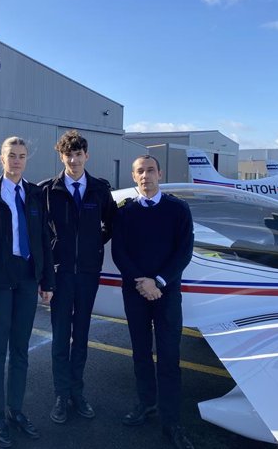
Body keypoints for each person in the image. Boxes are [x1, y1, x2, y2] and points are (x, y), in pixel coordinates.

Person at [0, 136, 56, 448]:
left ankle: (16, 409)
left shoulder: (36, 194)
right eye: (12, 155)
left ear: (27, 159)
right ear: (1, 158)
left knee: (20, 349)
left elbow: (43, 242)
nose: (17, 161)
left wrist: (47, 282)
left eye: (22, 156)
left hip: (26, 280)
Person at [111, 155, 195, 449]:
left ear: (159, 173)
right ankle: (145, 404)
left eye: (150, 170)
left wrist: (158, 281)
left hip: (167, 293)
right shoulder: (124, 213)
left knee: (170, 358)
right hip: (135, 292)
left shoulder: (178, 209)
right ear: (134, 177)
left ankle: (172, 421)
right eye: (139, 172)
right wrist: (141, 283)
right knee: (141, 353)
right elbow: (119, 252)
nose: (145, 176)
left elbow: (184, 252)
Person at [40, 130, 116, 423]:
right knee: (61, 336)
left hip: (87, 274)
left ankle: (77, 392)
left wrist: (93, 246)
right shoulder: (49, 189)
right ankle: (61, 394)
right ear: (62, 157)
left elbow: (111, 224)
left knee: (81, 335)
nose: (73, 159)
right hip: (60, 275)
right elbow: (41, 233)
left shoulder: (99, 189)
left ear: (87, 155)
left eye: (78, 153)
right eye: (68, 154)